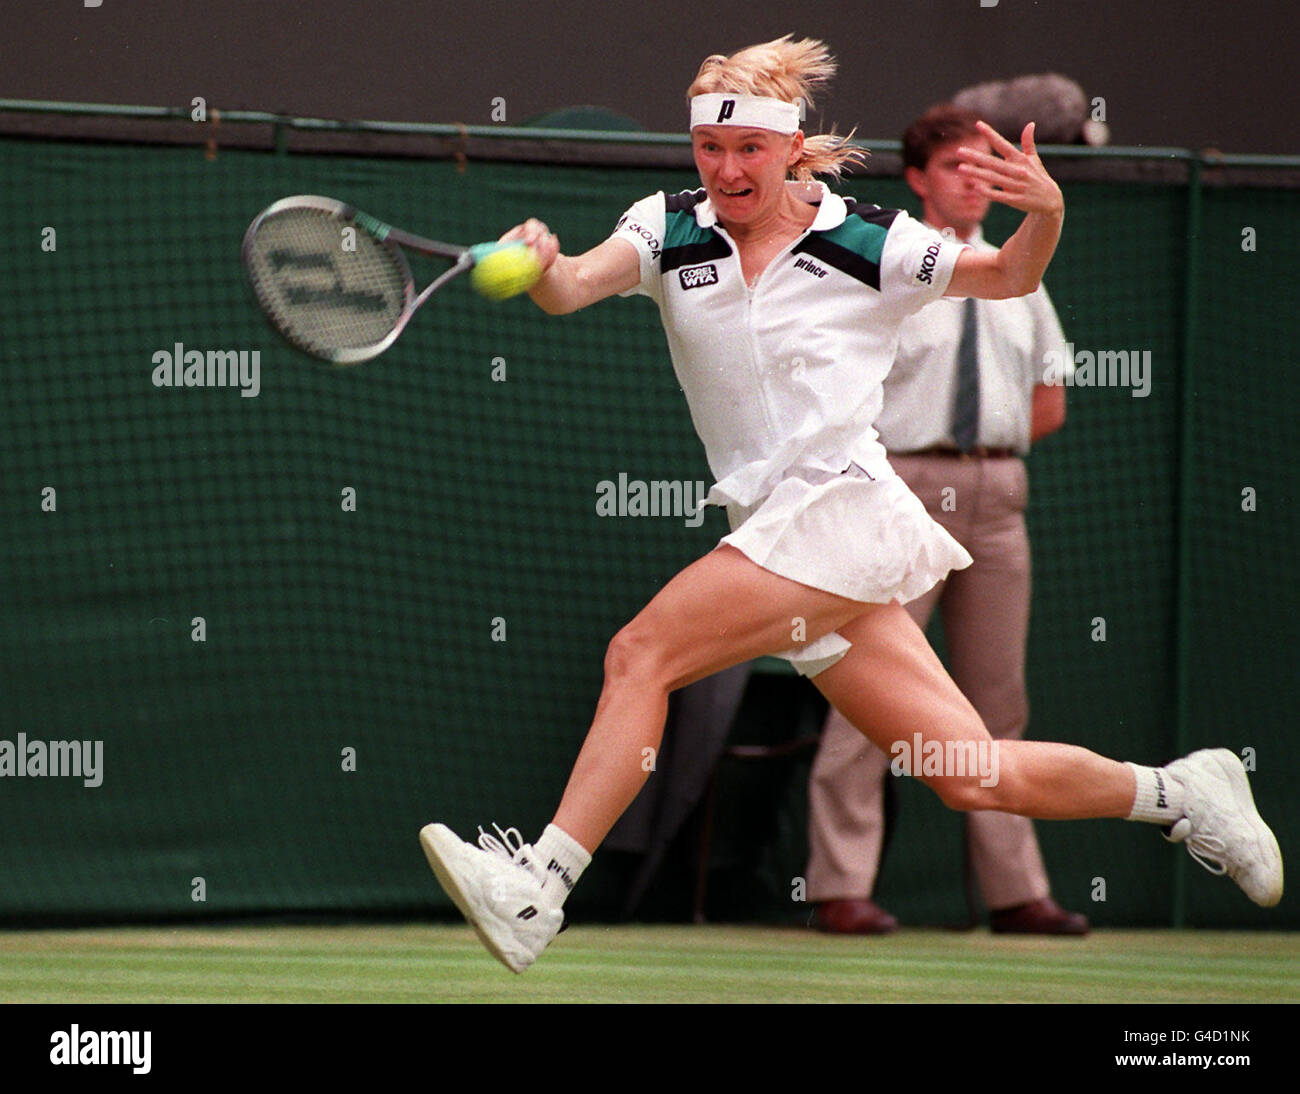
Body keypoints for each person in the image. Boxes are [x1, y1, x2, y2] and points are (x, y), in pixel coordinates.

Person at [418, 36, 1282, 974]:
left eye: (748, 149)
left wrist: (1048, 214)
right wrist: (539, 259)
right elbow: (572, 287)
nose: (726, 169)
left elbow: (1010, 279)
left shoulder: (868, 240)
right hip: (779, 530)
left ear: (791, 146)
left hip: (841, 509)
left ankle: (538, 886)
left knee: (641, 653)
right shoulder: (665, 227)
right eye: (710, 149)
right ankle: (1182, 792)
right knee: (972, 774)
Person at [807, 104, 1086, 937]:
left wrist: (980, 458)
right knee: (868, 689)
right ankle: (839, 886)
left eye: (985, 164)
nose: (975, 176)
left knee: (997, 699)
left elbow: (1050, 402)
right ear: (920, 179)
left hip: (998, 498)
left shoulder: (1022, 275)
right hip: (895, 490)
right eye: (956, 165)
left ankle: (1015, 894)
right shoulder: (891, 267)